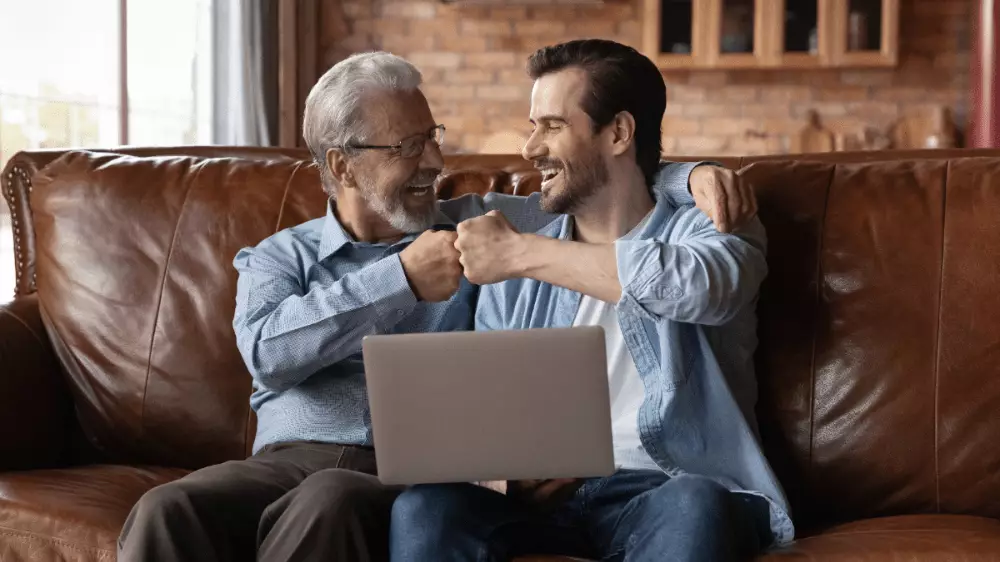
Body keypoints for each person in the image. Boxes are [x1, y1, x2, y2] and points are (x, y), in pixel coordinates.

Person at [116, 50, 754, 562]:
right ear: (342, 164)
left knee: (334, 500)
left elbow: (601, 188)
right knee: (163, 510)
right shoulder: (279, 256)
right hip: (291, 458)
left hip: (404, 473)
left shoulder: (484, 226)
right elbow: (268, 354)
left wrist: (689, 174)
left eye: (433, 137)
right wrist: (400, 278)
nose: (437, 163)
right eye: (407, 148)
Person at [389, 39, 793, 562]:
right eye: (533, 125)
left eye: (552, 126)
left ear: (619, 132)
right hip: (541, 504)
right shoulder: (514, 230)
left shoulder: (712, 223)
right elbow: (490, 405)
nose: (530, 148)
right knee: (425, 509)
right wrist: (503, 473)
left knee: (697, 501)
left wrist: (524, 253)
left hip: (663, 490)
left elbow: (698, 287)